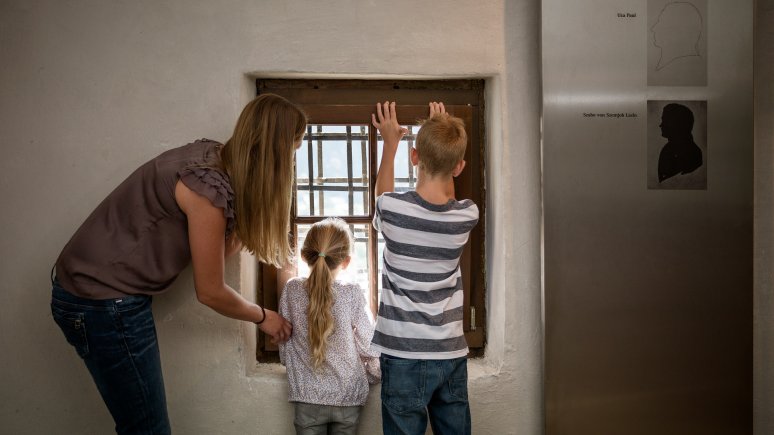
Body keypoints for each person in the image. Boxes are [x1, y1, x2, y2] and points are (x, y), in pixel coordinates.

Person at [50, 93, 302, 434]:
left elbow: (214, 250)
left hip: (97, 293)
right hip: (102, 303)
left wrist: (253, 207)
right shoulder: (205, 190)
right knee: (148, 429)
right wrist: (264, 317)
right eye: (292, 151)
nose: (292, 163)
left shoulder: (212, 160)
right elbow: (210, 291)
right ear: (273, 152)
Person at [370, 101, 480, 435]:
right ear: (459, 168)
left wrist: (389, 146)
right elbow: (446, 193)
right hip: (449, 351)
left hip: (402, 352)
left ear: (414, 158)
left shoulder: (392, 210)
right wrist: (442, 135)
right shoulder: (466, 215)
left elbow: (382, 194)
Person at [278, 218, 380, 435]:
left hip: (306, 396)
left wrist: (294, 368)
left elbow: (284, 344)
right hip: (348, 395)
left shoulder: (292, 290)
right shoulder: (352, 292)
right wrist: (375, 374)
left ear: (304, 255)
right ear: (346, 261)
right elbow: (368, 344)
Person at [657, 102, 702, 183]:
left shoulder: (693, 154)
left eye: (665, 121)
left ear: (676, 123)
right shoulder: (667, 149)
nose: (661, 125)